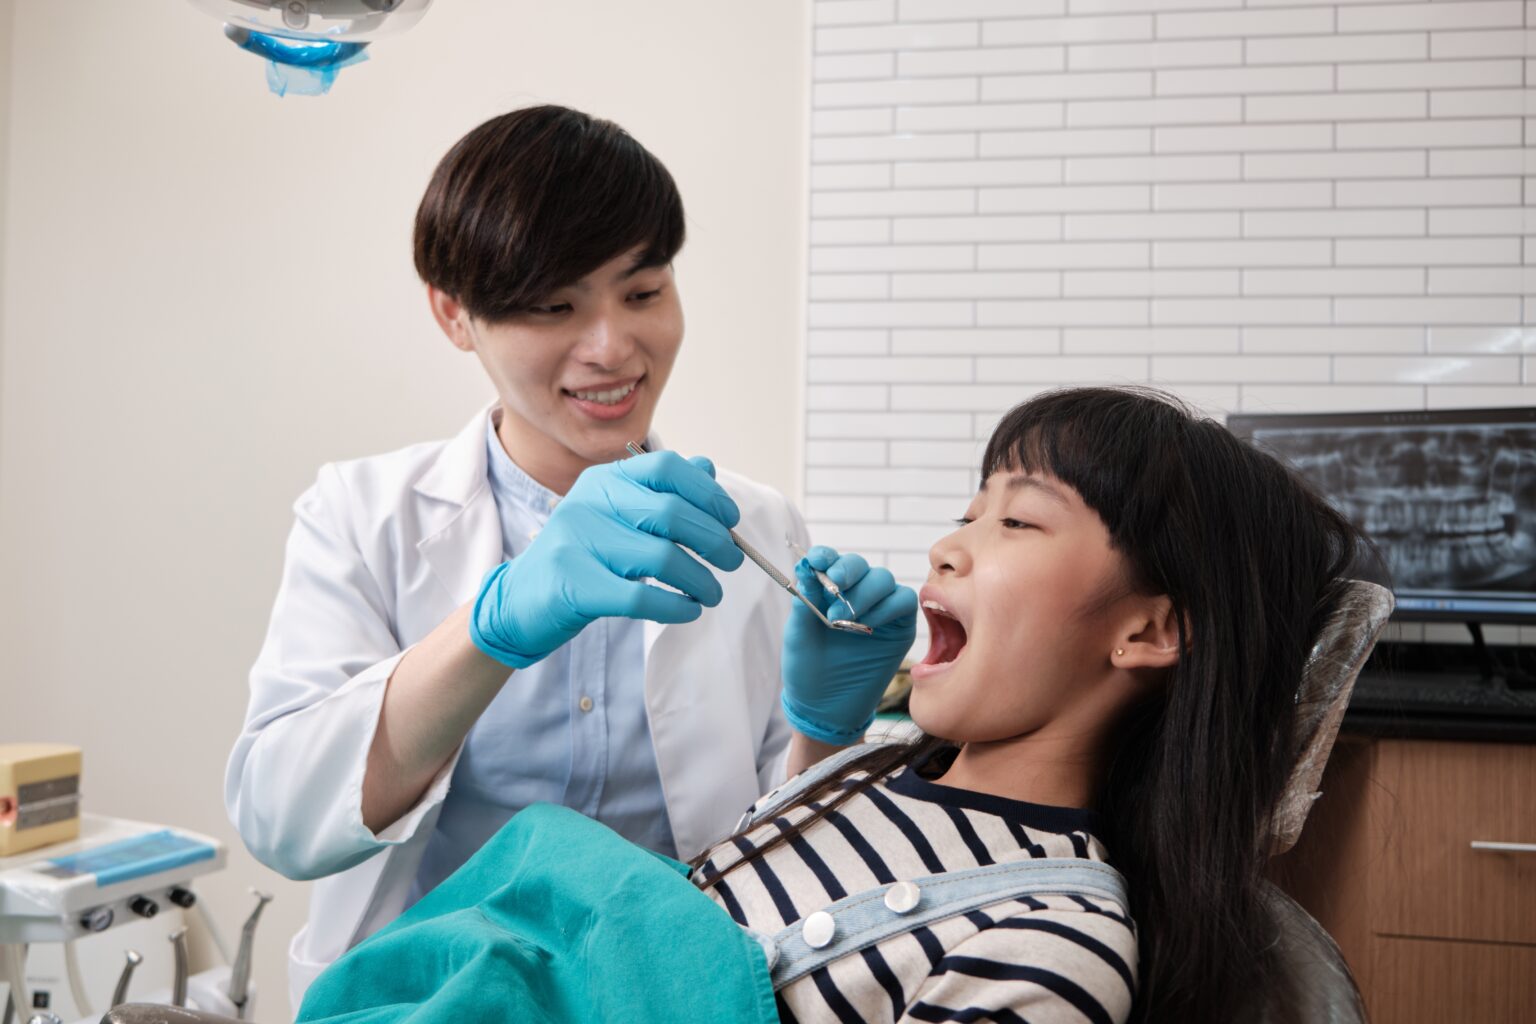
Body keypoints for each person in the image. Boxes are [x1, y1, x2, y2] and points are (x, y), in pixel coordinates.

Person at [294, 386, 1367, 1024]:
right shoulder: (871, 768)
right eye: (966, 510)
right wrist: (821, 732)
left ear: (1150, 630)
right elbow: (714, 924)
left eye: (1019, 524)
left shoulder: (1054, 945)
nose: (948, 543)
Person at [224, 105, 888, 1010]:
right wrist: (494, 628)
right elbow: (282, 817)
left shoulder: (757, 525)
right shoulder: (363, 514)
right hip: (424, 998)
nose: (613, 347)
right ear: (454, 315)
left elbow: (786, 868)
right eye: (553, 306)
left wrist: (826, 730)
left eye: (643, 292)